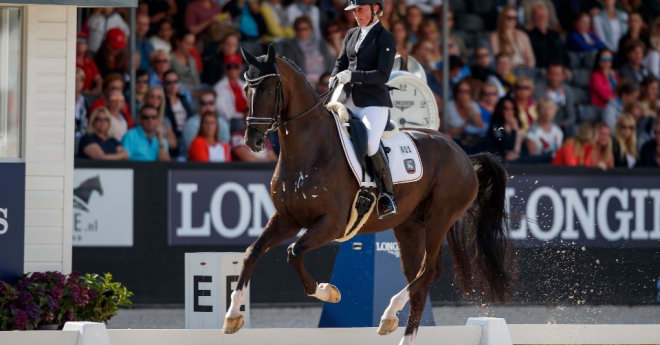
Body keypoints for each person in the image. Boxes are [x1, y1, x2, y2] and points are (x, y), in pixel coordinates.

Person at [329, 0, 398, 218]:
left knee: (369, 143)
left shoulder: (385, 37)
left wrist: (353, 76)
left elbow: (382, 75)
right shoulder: (351, 34)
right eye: (354, 10)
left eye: (361, 9)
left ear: (375, 8)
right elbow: (341, 62)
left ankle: (388, 195)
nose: (356, 14)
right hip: (347, 98)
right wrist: (334, 75)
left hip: (373, 101)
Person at [282, 16, 335, 86]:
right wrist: (303, 78)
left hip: (324, 78)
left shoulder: (320, 42)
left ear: (310, 29)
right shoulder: (290, 46)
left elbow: (330, 60)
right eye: (299, 29)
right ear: (295, 30)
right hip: (304, 81)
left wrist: (329, 76)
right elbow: (290, 66)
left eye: (305, 29)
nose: (302, 32)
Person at [533, 62, 576, 136]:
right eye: (551, 74)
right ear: (547, 74)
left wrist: (564, 123)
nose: (554, 78)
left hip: (561, 125)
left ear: (563, 76)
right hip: (542, 124)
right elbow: (536, 110)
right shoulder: (538, 88)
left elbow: (571, 115)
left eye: (557, 75)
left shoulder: (567, 90)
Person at [183, 88, 231, 152]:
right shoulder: (191, 124)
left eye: (211, 103)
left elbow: (225, 147)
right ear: (199, 105)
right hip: (191, 160)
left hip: (218, 158)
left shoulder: (222, 122)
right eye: (204, 103)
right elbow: (193, 148)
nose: (208, 106)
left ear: (215, 104)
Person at [446, 80, 487, 148]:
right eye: (460, 91)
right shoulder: (449, 106)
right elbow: (445, 129)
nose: (463, 95)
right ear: (456, 93)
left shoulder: (474, 105)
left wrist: (471, 109)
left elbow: (480, 125)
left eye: (467, 92)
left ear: (470, 93)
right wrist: (463, 129)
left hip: (473, 141)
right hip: (455, 142)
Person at [163, 70, 193, 157]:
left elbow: (190, 119)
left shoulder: (183, 100)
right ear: (164, 85)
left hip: (187, 135)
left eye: (175, 82)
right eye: (169, 83)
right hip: (174, 138)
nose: (173, 85)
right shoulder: (163, 102)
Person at [526, 4, 567, 68]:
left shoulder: (555, 35)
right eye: (538, 16)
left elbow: (563, 54)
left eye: (543, 16)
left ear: (548, 17)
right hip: (539, 70)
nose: (541, 19)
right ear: (533, 19)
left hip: (558, 69)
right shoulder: (529, 36)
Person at [485, 96, 523, 162]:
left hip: (515, 159)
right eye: (506, 108)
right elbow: (509, 146)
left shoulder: (516, 125)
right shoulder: (496, 126)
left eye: (512, 108)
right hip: (498, 161)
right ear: (500, 110)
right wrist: (514, 129)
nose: (509, 111)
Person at [214, 54, 248, 122]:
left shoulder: (245, 85)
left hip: (248, 118)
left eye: (236, 66)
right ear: (225, 68)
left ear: (240, 69)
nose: (233, 69)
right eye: (229, 67)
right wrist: (242, 118)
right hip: (233, 120)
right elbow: (222, 111)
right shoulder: (218, 87)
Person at [145, 85, 178, 151]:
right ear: (146, 98)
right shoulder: (141, 118)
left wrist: (159, 138)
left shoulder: (165, 120)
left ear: (162, 100)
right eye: (152, 96)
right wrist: (163, 138)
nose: (155, 99)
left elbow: (174, 143)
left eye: (159, 97)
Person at [170, 30, 201, 94]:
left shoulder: (192, 60)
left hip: (196, 94)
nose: (191, 47)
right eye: (187, 44)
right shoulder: (169, 59)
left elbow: (196, 80)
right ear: (178, 42)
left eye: (192, 44)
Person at [76, 31, 103, 96]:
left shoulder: (90, 62)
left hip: (88, 94)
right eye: (76, 41)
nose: (79, 44)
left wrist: (97, 90)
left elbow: (99, 80)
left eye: (83, 41)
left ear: (87, 46)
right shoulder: (69, 62)